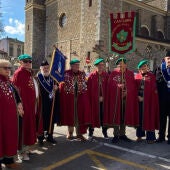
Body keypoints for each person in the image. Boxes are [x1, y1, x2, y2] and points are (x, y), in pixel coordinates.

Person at [104, 58, 139, 143]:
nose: (121, 65)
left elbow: (133, 87)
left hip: (126, 99)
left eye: (123, 64)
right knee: (117, 115)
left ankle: (122, 134)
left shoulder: (130, 74)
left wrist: (127, 91)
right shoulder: (113, 73)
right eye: (119, 64)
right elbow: (110, 86)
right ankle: (116, 135)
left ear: (126, 65)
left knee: (124, 117)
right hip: (116, 100)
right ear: (117, 65)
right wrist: (118, 87)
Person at [12, 54, 38, 160]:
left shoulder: (28, 73)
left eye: (30, 61)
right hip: (24, 107)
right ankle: (21, 153)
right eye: (26, 61)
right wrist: (20, 106)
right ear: (20, 62)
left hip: (30, 106)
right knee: (23, 129)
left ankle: (26, 149)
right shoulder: (19, 73)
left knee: (29, 128)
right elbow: (16, 91)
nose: (28, 63)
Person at [0, 59, 24, 169]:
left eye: (9, 68)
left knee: (9, 138)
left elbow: (16, 94)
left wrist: (19, 103)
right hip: (2, 118)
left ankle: (9, 160)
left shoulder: (8, 81)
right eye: (5, 68)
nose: (8, 70)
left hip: (11, 118)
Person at [60, 58, 91, 141]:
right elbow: (61, 84)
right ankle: (70, 133)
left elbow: (85, 85)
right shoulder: (66, 73)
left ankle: (79, 134)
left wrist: (85, 95)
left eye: (78, 65)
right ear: (71, 66)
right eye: (75, 65)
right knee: (70, 115)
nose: (77, 67)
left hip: (80, 98)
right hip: (69, 98)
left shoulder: (82, 73)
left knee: (79, 116)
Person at [135, 60, 159, 144]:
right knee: (140, 118)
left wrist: (144, 98)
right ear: (139, 68)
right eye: (141, 67)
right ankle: (139, 135)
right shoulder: (137, 76)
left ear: (147, 67)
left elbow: (153, 90)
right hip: (139, 101)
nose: (143, 68)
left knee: (149, 118)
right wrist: (138, 97)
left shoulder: (151, 76)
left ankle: (150, 137)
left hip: (149, 102)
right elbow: (134, 89)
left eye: (145, 66)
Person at [37, 60, 60, 144]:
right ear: (41, 68)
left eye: (47, 68)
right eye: (44, 68)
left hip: (51, 103)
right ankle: (40, 137)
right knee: (42, 120)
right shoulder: (38, 78)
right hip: (42, 103)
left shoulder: (52, 78)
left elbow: (57, 87)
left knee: (51, 119)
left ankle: (50, 136)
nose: (46, 69)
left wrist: (57, 88)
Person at [87, 58, 109, 140]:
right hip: (93, 101)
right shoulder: (92, 76)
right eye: (99, 65)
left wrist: (103, 97)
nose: (101, 66)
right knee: (93, 116)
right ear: (96, 66)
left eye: (102, 65)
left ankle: (104, 132)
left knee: (104, 117)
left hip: (104, 100)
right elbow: (88, 89)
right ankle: (90, 133)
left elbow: (108, 88)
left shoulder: (106, 75)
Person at [155, 51, 170, 144]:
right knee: (162, 118)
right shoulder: (159, 68)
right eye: (168, 58)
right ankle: (161, 136)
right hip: (162, 98)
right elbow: (156, 81)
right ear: (165, 59)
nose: (169, 60)